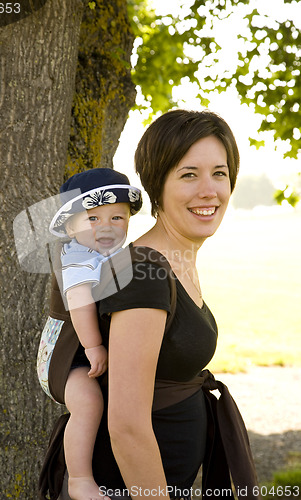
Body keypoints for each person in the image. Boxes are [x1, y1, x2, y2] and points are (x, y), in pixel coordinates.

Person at [39, 110, 260, 500]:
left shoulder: (174, 263)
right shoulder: (142, 269)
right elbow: (126, 425)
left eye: (220, 173)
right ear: (157, 185)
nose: (209, 190)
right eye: (189, 174)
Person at [36, 168, 142, 500]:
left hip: (81, 349)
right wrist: (94, 345)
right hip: (67, 353)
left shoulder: (111, 253)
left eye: (117, 217)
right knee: (89, 401)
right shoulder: (76, 255)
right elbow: (80, 304)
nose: (107, 226)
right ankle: (80, 479)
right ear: (70, 227)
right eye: (93, 219)